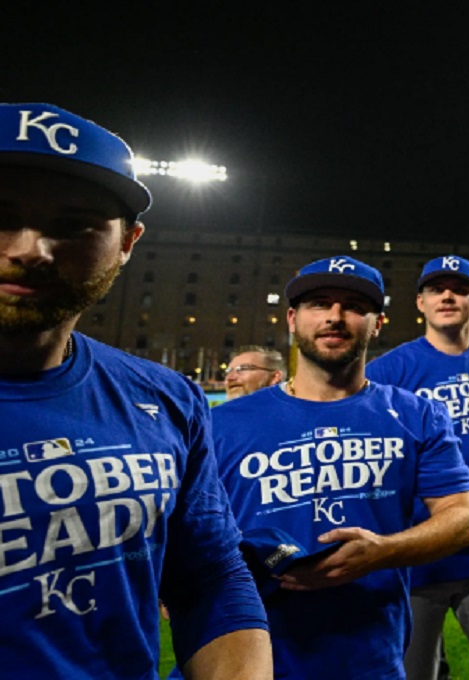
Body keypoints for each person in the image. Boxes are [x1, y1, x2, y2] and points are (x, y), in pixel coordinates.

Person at [0, 102, 272, 678]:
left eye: (72, 224)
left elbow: (209, 576)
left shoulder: (166, 397)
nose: (29, 248)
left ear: (128, 243)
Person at [205, 256, 469, 678]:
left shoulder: (418, 414)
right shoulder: (222, 424)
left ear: (377, 324)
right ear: (293, 320)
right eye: (319, 303)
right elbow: (187, 537)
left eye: (354, 305)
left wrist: (382, 552)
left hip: (369, 658)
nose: (335, 316)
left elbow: (462, 518)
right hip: (247, 660)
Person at [367, 254, 469, 680]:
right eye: (436, 289)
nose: (447, 296)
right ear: (420, 302)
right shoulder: (388, 370)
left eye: (460, 289)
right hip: (417, 555)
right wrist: (446, 513)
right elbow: (372, 456)